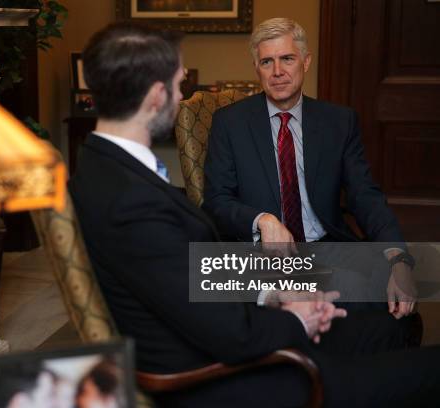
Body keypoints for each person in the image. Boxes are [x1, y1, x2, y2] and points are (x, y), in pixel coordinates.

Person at [69, 21, 440, 407]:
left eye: (287, 59)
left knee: (394, 325)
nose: (183, 98)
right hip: (242, 370)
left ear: (305, 62)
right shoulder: (133, 200)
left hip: (243, 309)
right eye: (180, 85)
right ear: (157, 95)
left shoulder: (102, 174)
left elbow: (183, 274)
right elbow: (225, 325)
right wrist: (294, 314)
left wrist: (271, 293)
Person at [202, 17, 416, 319]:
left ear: (306, 61)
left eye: (287, 59)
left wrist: (399, 258)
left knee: (391, 294)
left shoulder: (339, 122)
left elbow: (365, 196)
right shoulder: (230, 123)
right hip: (263, 256)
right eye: (267, 62)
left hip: (326, 245)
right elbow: (215, 202)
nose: (277, 72)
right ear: (257, 68)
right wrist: (261, 220)